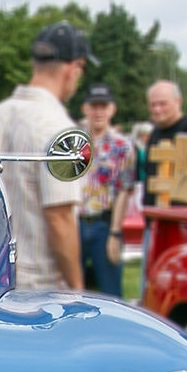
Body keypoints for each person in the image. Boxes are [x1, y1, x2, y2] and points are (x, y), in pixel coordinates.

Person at [0, 21, 95, 290]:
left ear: (36, 64)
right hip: (38, 285)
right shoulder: (58, 128)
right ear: (73, 68)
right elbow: (60, 219)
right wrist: (76, 288)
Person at [77, 85, 135, 297]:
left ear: (112, 109)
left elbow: (124, 191)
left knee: (111, 292)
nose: (98, 112)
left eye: (103, 106)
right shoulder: (73, 142)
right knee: (68, 291)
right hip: (74, 222)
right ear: (85, 108)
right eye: (94, 106)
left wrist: (115, 232)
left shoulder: (123, 146)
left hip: (104, 223)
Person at [141, 81, 187, 206]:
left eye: (163, 104)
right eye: (152, 105)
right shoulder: (154, 134)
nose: (157, 109)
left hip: (182, 217)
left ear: (178, 101)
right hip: (154, 215)